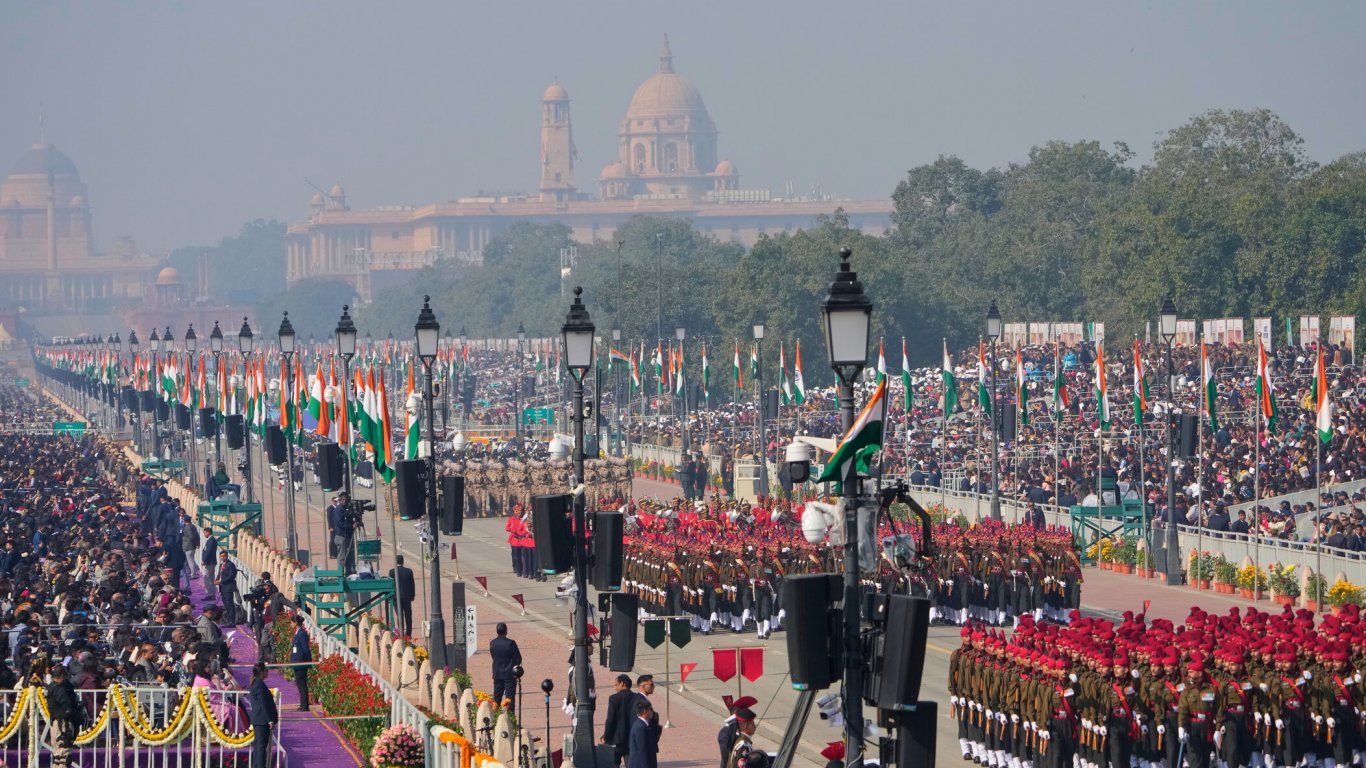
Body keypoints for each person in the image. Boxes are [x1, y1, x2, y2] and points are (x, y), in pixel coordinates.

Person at [46, 664, 86, 768]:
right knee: (64, 754)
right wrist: (77, 718)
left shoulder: (51, 687)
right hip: (62, 723)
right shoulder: (59, 689)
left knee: (58, 755)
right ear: (62, 676)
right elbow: (67, 708)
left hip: (56, 722)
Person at [247, 662, 279, 768]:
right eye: (266, 670)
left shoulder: (256, 683)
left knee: (258, 746)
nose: (267, 672)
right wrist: (269, 720)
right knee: (261, 747)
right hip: (262, 720)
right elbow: (263, 705)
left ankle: (257, 765)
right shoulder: (259, 685)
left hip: (259, 719)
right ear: (261, 672)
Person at [601, 674, 635, 766]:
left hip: (617, 739)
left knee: (613, 764)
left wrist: (606, 737)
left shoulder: (614, 698)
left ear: (622, 684)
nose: (614, 687)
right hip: (631, 740)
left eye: (616, 684)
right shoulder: (637, 698)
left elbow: (610, 720)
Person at [489, 622, 522, 711]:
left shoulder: (492, 643)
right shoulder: (510, 643)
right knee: (510, 698)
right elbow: (518, 658)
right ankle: (510, 719)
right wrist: (515, 665)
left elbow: (493, 656)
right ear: (506, 631)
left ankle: (495, 717)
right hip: (509, 674)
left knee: (497, 697)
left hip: (497, 673)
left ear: (497, 631)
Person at [327, 492, 356, 575]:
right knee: (342, 556)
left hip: (348, 535)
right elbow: (339, 523)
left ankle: (349, 572)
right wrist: (351, 526)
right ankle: (340, 573)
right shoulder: (338, 510)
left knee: (350, 555)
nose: (345, 501)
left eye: (346, 499)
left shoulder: (347, 508)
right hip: (341, 536)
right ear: (339, 500)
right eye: (343, 499)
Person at [389, 554, 416, 636]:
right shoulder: (409, 571)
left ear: (395, 562)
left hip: (396, 597)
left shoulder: (392, 572)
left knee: (399, 615)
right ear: (403, 561)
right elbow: (412, 584)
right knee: (408, 615)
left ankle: (400, 632)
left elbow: (391, 585)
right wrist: (412, 595)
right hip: (407, 597)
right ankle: (408, 633)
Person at [628, 700, 659, 768]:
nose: (652, 712)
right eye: (650, 709)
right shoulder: (640, 728)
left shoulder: (642, 725)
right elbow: (642, 752)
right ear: (645, 711)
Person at [290, 614, 312, 711]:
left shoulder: (302, 634)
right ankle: (302, 704)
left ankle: (304, 705)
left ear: (295, 623)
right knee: (299, 684)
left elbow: (306, 649)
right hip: (296, 662)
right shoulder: (297, 633)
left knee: (302, 684)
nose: (290, 624)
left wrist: (308, 663)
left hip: (301, 663)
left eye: (291, 622)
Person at [216, 549, 240, 625]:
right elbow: (220, 574)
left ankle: (232, 622)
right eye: (221, 556)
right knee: (226, 605)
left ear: (227, 556)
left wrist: (221, 581)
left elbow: (231, 576)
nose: (223, 558)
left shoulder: (230, 565)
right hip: (222, 588)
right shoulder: (221, 565)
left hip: (228, 588)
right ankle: (228, 620)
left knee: (229, 604)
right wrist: (216, 580)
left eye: (224, 556)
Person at [201, 525, 219, 601]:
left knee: (207, 578)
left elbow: (208, 552)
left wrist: (204, 560)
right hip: (211, 562)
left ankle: (210, 594)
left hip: (209, 563)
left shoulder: (211, 540)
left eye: (204, 532)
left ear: (208, 532)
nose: (204, 534)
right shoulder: (211, 540)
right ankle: (212, 594)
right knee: (211, 578)